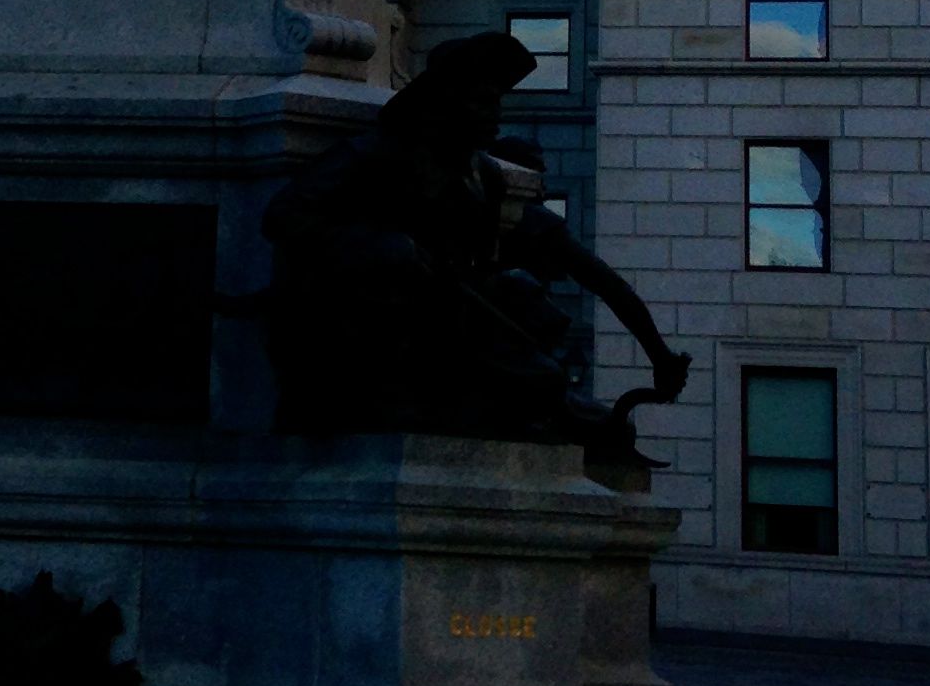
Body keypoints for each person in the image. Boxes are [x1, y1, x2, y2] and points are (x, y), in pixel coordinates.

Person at [263, 31, 692, 470]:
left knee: (558, 380)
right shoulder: (377, 155)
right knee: (537, 381)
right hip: (374, 328)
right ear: (445, 103)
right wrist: (380, 247)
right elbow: (283, 215)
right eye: (482, 102)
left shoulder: (484, 176)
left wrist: (658, 353)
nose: (495, 115)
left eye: (497, 101)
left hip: (450, 321)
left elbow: (588, 274)